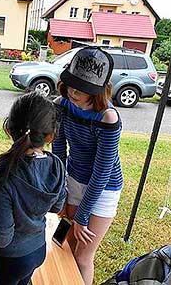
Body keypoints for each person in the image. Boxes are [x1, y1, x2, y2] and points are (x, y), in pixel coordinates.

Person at [52, 46, 123, 285]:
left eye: (82, 88)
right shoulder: (61, 104)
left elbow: (102, 173)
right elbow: (59, 151)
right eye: (71, 83)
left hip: (104, 189)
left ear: (98, 90)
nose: (73, 91)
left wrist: (82, 216)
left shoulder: (107, 118)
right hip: (74, 178)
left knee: (83, 255)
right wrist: (61, 190)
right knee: (64, 241)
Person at [0, 92, 67, 285]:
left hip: (10, 260)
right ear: (51, 135)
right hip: (37, 251)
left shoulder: (5, 176)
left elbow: (2, 238)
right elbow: (56, 206)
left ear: (9, 129)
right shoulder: (57, 165)